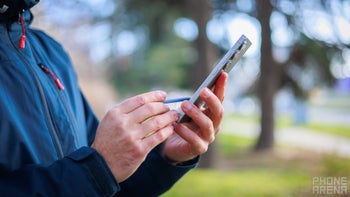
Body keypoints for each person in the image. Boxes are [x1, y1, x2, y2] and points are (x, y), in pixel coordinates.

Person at [0, 0, 228, 196]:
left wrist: (165, 158)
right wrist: (95, 170)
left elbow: (105, 182)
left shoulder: (50, 51)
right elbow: (94, 171)